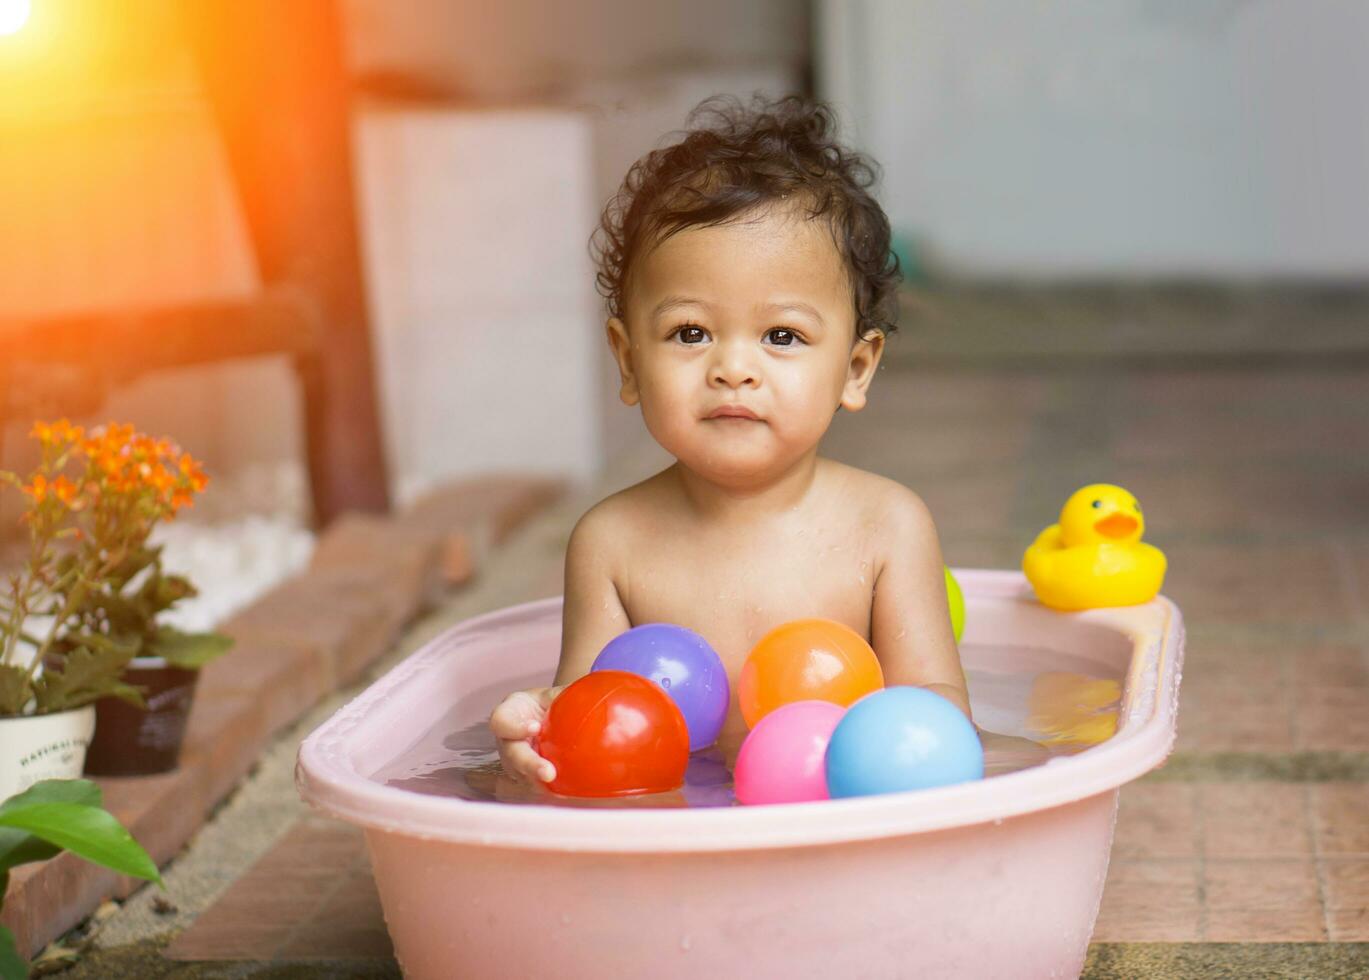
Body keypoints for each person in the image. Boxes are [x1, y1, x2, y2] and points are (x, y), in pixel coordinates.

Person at [490, 94, 970, 786]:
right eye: (690, 333)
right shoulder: (612, 541)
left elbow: (934, 713)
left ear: (855, 368)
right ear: (628, 362)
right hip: (688, 828)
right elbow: (590, 713)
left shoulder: (886, 527)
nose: (733, 368)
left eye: (782, 336)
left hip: (843, 820)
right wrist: (538, 729)